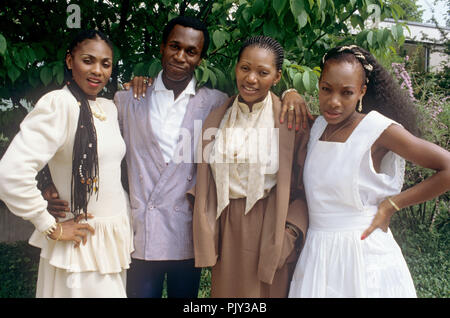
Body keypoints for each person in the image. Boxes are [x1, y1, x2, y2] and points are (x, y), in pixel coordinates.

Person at [44, 16, 310, 298]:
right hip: (140, 233)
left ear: (200, 58)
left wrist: (291, 92)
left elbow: (257, 101)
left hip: (188, 234)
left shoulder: (215, 104)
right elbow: (94, 146)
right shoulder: (127, 101)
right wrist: (50, 183)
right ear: (162, 47)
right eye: (175, 46)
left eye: (192, 51)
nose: (181, 56)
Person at [288, 45, 450, 298]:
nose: (333, 102)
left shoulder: (377, 129)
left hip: (364, 255)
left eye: (347, 93)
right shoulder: (319, 126)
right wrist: (289, 93)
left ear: (362, 91)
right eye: (326, 89)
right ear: (318, 83)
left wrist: (392, 205)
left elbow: (447, 168)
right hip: (317, 254)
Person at [0, 29, 133, 297]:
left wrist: (48, 183)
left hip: (112, 236)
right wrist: (48, 223)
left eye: (105, 64)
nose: (97, 70)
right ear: (70, 60)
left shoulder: (107, 107)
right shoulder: (59, 104)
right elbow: (10, 173)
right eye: (88, 60)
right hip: (80, 240)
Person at [188, 36, 309, 297]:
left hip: (270, 222)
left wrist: (289, 232)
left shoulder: (290, 120)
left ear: (277, 77)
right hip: (226, 222)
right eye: (245, 68)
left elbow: (305, 186)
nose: (251, 79)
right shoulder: (218, 115)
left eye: (262, 72)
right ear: (236, 67)